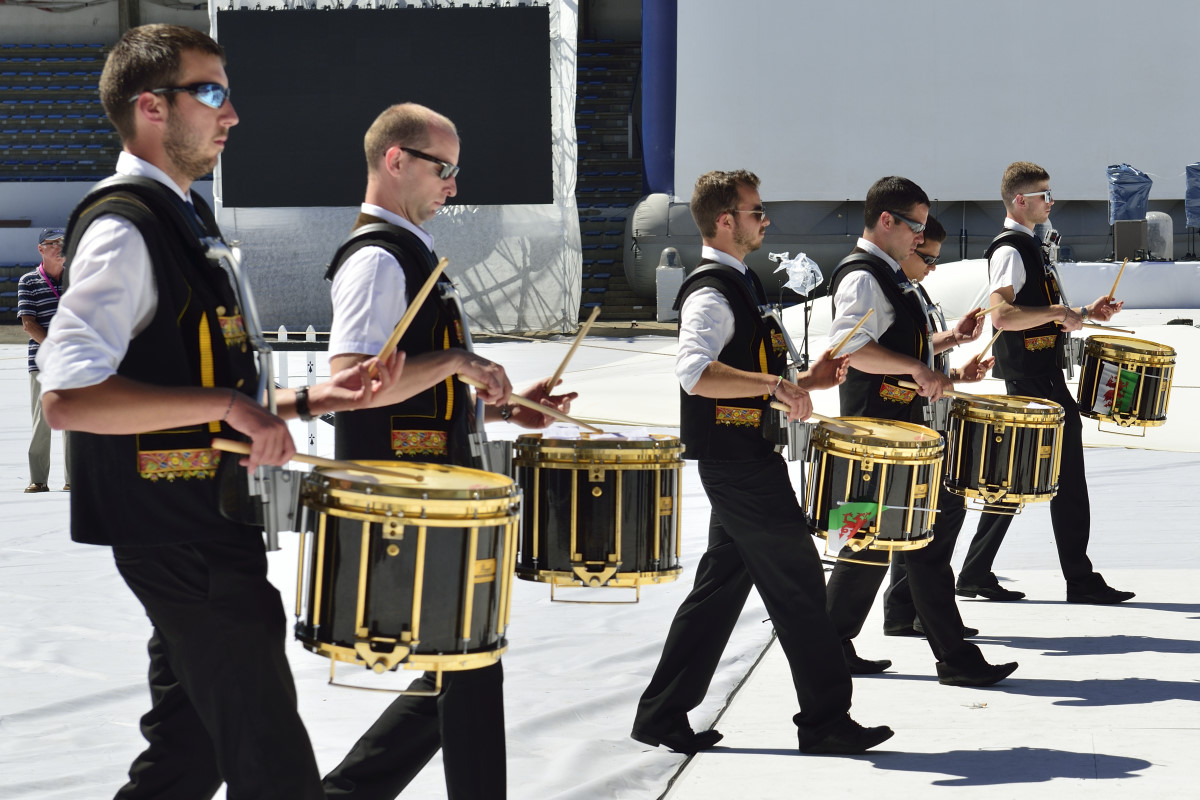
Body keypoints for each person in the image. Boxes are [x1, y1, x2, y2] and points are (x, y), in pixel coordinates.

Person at [36, 25, 401, 800]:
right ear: (152, 108)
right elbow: (68, 397)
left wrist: (310, 398)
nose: (231, 113)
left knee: (187, 757)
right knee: (271, 757)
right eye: (211, 92)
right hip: (178, 533)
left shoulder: (181, 214)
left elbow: (188, 379)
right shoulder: (124, 226)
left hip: (202, 524)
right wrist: (230, 403)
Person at [323, 102, 575, 800]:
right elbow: (351, 385)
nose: (455, 186)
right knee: (466, 662)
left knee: (463, 662)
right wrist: (459, 360)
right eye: (445, 169)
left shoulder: (408, 252)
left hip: (440, 490)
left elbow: (418, 388)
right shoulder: (377, 257)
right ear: (396, 160)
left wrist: (504, 405)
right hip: (410, 497)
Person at [631, 169, 893, 757]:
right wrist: (778, 383)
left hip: (743, 458)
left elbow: (747, 378)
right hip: (739, 465)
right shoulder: (710, 290)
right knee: (800, 584)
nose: (764, 220)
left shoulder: (739, 284)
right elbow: (695, 373)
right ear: (725, 221)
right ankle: (825, 720)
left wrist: (806, 380)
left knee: (720, 589)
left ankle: (662, 713)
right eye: (755, 212)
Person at [825, 179, 1017, 687]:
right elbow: (848, 349)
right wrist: (919, 367)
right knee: (871, 542)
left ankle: (837, 645)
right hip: (873, 437)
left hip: (894, 436)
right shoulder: (862, 276)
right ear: (886, 220)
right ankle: (949, 658)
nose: (920, 238)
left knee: (884, 544)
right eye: (914, 225)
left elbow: (889, 341)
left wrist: (946, 341)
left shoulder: (886, 276)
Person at [956, 161, 1134, 605]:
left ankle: (976, 572)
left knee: (1016, 475)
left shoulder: (1031, 247)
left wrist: (1087, 313)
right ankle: (1080, 579)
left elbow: (1044, 313)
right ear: (1021, 200)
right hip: (1033, 378)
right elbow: (1002, 317)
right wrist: (1058, 315)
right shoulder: (1010, 250)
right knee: (1066, 479)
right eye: (1044, 195)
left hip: (1038, 375)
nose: (1050, 202)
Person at [17, 227, 72, 492]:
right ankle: (38, 479)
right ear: (40, 249)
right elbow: (29, 324)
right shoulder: (28, 281)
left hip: (74, 360)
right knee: (43, 419)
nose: (59, 246)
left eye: (62, 241)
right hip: (43, 361)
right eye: (52, 243)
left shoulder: (76, 278)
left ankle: (73, 478)